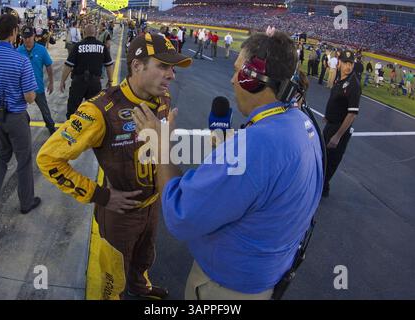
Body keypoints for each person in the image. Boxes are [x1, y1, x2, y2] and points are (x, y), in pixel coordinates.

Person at [133, 31, 323, 300]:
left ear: (253, 78)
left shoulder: (254, 146)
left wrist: (162, 147)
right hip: (267, 275)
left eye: (237, 72)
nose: (232, 79)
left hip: (226, 287)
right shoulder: (302, 122)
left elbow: (180, 214)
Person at [36, 33, 192, 299]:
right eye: (163, 66)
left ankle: (139, 286)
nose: (172, 75)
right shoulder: (98, 110)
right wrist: (100, 195)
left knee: (145, 256)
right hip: (119, 213)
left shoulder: (163, 99)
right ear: (137, 66)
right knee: (110, 280)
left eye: (173, 68)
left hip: (153, 204)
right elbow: (48, 158)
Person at [0, 14, 41, 214]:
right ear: (14, 33)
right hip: (15, 117)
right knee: (23, 159)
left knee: (2, 155)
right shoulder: (21, 60)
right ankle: (26, 202)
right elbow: (30, 97)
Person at [322, 50, 361, 197]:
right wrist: (328, 115)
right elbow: (336, 101)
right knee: (323, 156)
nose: (348, 66)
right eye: (345, 63)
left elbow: (352, 114)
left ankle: (322, 189)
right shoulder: (341, 80)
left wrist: (338, 136)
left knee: (330, 160)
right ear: (339, 63)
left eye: (351, 63)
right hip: (331, 124)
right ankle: (320, 185)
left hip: (339, 129)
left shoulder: (353, 85)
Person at [60, 24, 114, 119]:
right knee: (93, 109)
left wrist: (62, 81)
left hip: (78, 82)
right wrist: (110, 81)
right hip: (95, 82)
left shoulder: (78, 46)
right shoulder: (102, 47)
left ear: (84, 33)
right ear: (96, 33)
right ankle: (90, 130)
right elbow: (109, 65)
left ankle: (70, 129)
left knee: (73, 108)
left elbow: (68, 65)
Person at [18, 26, 56, 135]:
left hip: (37, 87)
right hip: (23, 89)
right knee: (19, 111)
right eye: (25, 37)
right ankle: (22, 128)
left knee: (45, 111)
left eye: (29, 37)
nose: (27, 39)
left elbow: (48, 65)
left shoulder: (41, 49)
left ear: (34, 36)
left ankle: (51, 128)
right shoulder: (18, 51)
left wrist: (51, 82)